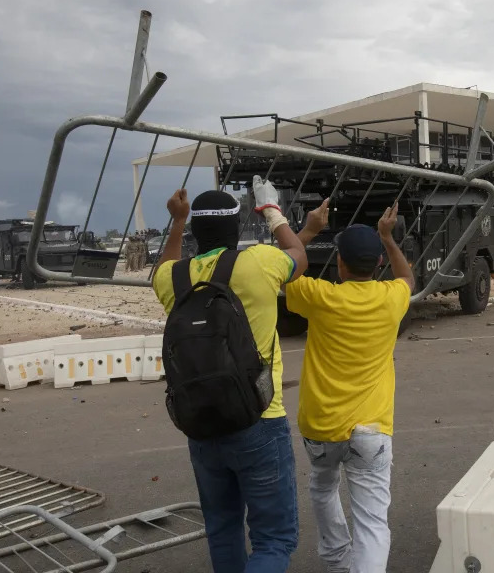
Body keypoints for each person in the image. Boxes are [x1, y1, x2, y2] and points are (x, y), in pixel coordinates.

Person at [151, 177, 309, 573]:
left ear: (195, 230)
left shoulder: (173, 278)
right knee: (274, 540)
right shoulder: (257, 263)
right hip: (259, 416)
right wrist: (271, 209)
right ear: (236, 228)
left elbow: (164, 263)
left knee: (222, 529)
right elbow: (298, 253)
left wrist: (176, 221)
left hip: (201, 422)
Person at [286, 199, 414, 573]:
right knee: (373, 521)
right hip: (372, 430)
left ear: (339, 263)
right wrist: (388, 239)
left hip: (322, 426)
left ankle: (337, 560)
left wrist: (308, 231)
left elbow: (283, 269)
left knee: (323, 490)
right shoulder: (391, 298)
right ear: (378, 265)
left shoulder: (321, 298)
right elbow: (407, 278)